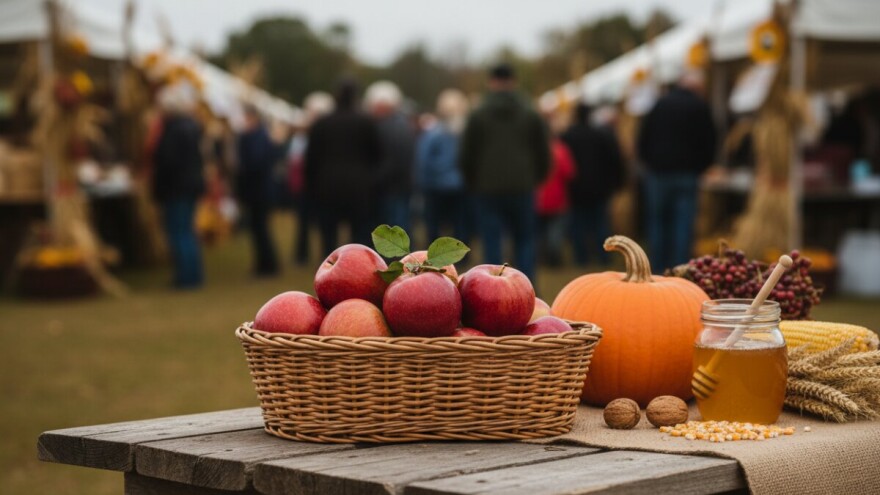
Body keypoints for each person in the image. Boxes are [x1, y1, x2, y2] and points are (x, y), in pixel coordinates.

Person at [459, 63, 550, 282]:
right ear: (514, 81)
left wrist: (473, 182)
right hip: (522, 186)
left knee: (492, 242)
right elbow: (543, 153)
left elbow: (466, 155)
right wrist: (534, 179)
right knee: (525, 240)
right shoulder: (530, 113)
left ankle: (491, 289)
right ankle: (528, 288)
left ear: (491, 82)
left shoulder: (478, 114)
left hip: (487, 188)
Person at [637, 71, 717, 272]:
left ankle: (655, 267)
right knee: (683, 223)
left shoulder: (660, 104)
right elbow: (711, 141)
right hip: (687, 174)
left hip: (658, 173)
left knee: (658, 222)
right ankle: (679, 267)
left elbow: (642, 138)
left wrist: (649, 162)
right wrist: (701, 167)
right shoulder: (700, 107)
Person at [305, 79, 383, 256]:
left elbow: (311, 159)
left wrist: (311, 188)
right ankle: (360, 267)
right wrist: (372, 181)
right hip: (359, 187)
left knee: (328, 236)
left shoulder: (322, 123)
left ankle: (329, 268)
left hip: (327, 186)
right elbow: (378, 156)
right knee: (360, 235)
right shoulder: (366, 122)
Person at [151, 83, 205, 289]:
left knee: (179, 232)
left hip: (177, 189)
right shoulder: (191, 126)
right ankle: (193, 274)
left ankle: (186, 276)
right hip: (189, 187)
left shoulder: (174, 130)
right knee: (187, 231)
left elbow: (168, 162)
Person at [561, 103, 624, 266]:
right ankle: (604, 255)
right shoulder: (601, 134)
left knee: (578, 224)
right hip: (599, 187)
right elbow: (614, 159)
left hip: (575, 188)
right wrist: (617, 182)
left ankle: (581, 257)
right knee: (600, 223)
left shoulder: (567, 136)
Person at [235, 105, 285, 277]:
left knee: (261, 229)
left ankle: (268, 264)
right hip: (258, 191)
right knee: (258, 229)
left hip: (259, 191)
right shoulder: (259, 136)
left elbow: (255, 163)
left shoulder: (256, 137)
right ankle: (264, 263)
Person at [416, 89, 469, 243]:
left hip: (436, 185)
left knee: (434, 223)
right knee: (459, 224)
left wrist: (423, 183)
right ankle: (460, 255)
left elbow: (423, 160)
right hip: (460, 185)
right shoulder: (464, 133)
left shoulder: (433, 132)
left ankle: (432, 256)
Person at [288, 92, 334, 265]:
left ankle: (319, 255)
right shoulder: (303, 135)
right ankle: (303, 254)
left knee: (320, 223)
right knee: (305, 222)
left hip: (315, 184)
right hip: (307, 185)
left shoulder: (316, 135)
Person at [365, 81, 416, 232]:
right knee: (401, 226)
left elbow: (389, 161)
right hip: (402, 184)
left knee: (393, 228)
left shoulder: (385, 126)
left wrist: (374, 180)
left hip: (390, 186)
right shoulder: (404, 124)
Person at [535, 136, 576, 266]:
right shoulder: (560, 150)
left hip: (538, 200)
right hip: (558, 200)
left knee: (539, 234)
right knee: (555, 234)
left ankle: (541, 259)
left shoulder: (533, 150)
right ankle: (554, 260)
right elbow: (569, 172)